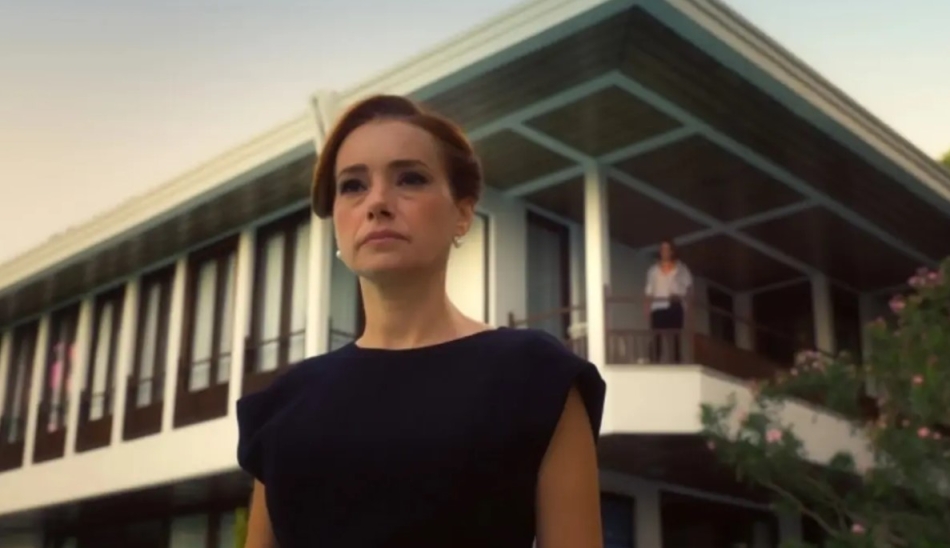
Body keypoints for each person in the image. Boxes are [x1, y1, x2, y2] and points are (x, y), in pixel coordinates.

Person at [236, 95, 607, 548]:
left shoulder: (537, 376)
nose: (377, 202)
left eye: (410, 178)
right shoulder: (284, 405)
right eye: (353, 185)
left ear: (462, 213)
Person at [644, 239, 693, 362]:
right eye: (662, 249)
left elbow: (689, 287)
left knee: (675, 338)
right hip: (658, 306)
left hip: (675, 304)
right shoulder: (653, 271)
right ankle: (654, 361)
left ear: (672, 251)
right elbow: (649, 291)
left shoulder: (681, 269)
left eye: (667, 249)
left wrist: (687, 306)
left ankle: (676, 362)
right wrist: (647, 309)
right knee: (657, 337)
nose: (664, 251)